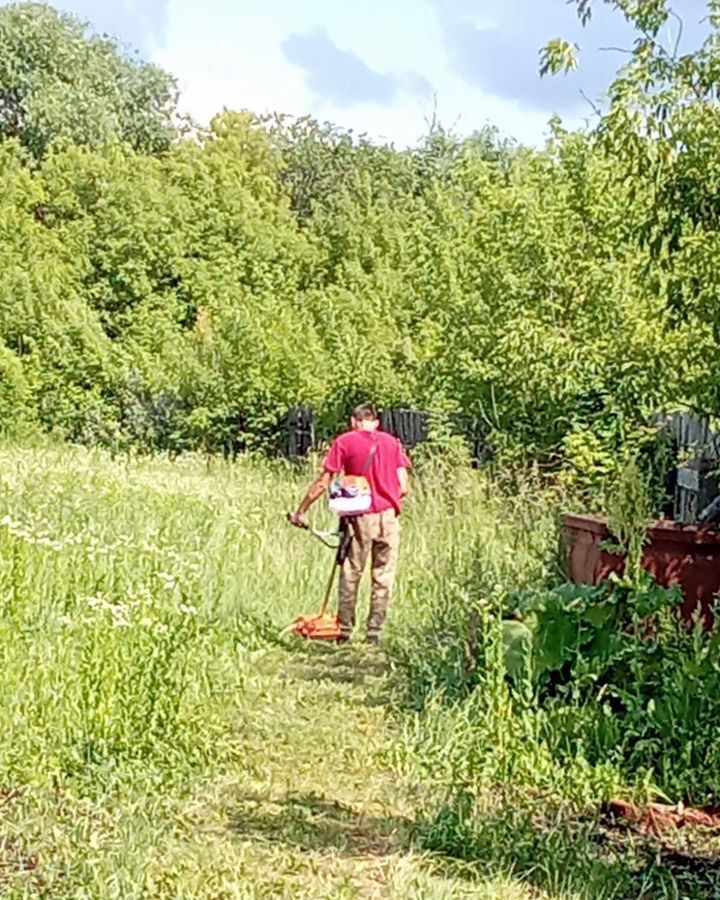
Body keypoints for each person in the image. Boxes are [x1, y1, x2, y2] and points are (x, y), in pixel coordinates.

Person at [289, 404, 410, 644]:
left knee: (352, 572)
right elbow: (404, 487)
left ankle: (344, 631)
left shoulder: (345, 442)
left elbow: (324, 483)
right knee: (383, 576)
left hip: (360, 517)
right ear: (374, 422)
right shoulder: (392, 443)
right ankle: (374, 634)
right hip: (389, 516)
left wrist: (301, 512)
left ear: (353, 421)